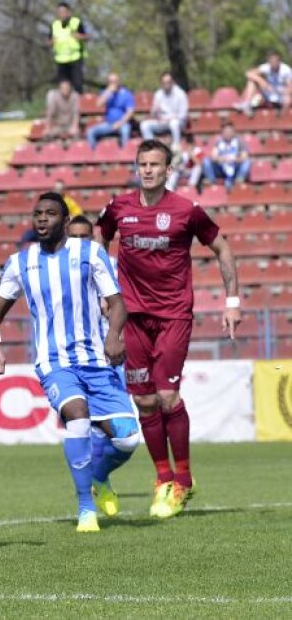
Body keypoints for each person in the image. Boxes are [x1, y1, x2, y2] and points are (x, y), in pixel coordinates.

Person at [97, 139, 240, 518]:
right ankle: (162, 478)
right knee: (143, 401)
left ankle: (185, 480)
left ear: (168, 169)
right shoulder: (118, 207)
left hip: (173, 314)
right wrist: (103, 287)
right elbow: (100, 239)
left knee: (167, 397)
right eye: (142, 163)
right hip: (132, 317)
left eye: (155, 164)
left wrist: (232, 302)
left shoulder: (186, 210)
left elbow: (223, 249)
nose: (148, 170)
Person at [0, 193, 137, 533]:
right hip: (55, 363)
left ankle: (98, 476)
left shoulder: (91, 253)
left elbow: (117, 302)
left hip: (97, 359)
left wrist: (114, 336)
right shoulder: (20, 263)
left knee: (127, 439)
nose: (42, 220)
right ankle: (86, 508)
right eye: (37, 214)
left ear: (65, 222)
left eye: (50, 214)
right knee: (78, 419)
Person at [86, 73, 134, 150]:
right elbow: (98, 104)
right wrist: (109, 91)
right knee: (90, 132)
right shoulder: (106, 93)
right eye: (111, 82)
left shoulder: (126, 94)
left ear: (119, 82)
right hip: (109, 124)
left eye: (115, 81)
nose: (113, 84)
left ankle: (125, 154)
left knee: (125, 130)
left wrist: (120, 123)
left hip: (123, 123)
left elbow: (130, 112)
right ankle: (93, 156)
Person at [139, 73, 188, 147]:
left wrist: (170, 118)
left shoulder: (180, 94)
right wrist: (155, 111)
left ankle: (176, 147)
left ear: (172, 82)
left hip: (176, 122)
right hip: (161, 121)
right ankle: (151, 147)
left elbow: (183, 115)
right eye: (164, 83)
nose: (166, 84)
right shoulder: (158, 94)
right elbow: (153, 114)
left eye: (168, 82)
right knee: (144, 125)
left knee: (174, 123)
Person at [49, 1, 88, 92]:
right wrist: (52, 42)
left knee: (77, 85)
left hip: (75, 58)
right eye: (60, 12)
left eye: (64, 12)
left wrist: (79, 36)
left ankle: (78, 104)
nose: (62, 14)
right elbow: (49, 41)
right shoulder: (54, 25)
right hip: (61, 59)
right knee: (63, 87)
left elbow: (86, 36)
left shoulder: (76, 22)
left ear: (68, 12)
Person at [202, 122, 252, 189]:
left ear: (233, 132)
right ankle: (211, 180)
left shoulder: (239, 142)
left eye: (229, 131)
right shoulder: (218, 142)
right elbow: (213, 157)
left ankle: (239, 179)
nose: (227, 133)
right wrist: (223, 159)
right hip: (221, 167)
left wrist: (234, 159)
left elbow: (244, 157)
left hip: (235, 167)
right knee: (206, 161)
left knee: (247, 162)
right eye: (226, 131)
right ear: (222, 132)